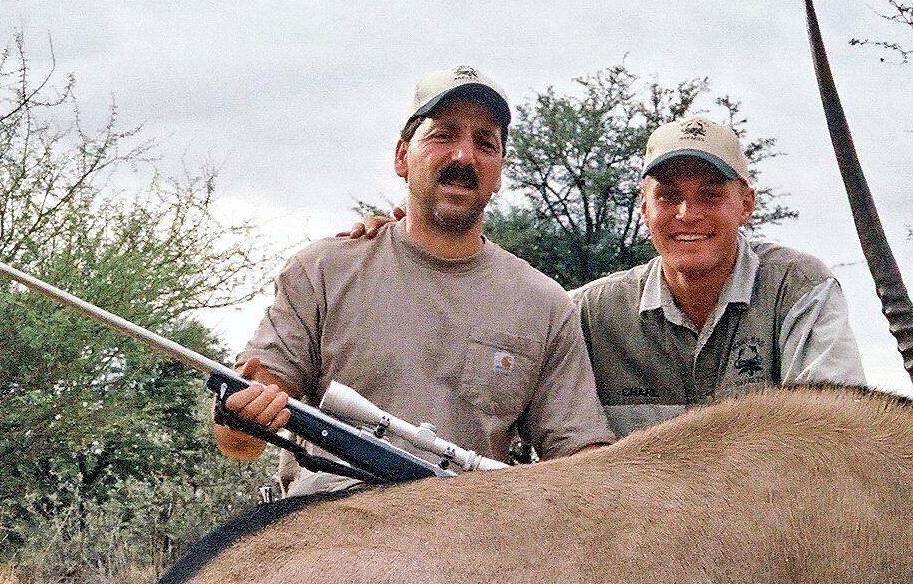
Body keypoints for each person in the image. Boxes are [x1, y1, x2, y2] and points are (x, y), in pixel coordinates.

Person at [216, 66, 615, 495]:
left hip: (472, 540)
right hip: (326, 535)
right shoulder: (322, 271)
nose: (464, 156)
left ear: (499, 172)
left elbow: (579, 458)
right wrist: (244, 415)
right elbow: (237, 441)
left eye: (485, 143)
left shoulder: (545, 304)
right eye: (443, 135)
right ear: (402, 156)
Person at [571, 115, 864, 436]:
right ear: (644, 208)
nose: (688, 214)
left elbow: (837, 434)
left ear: (746, 204)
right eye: (669, 196)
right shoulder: (587, 310)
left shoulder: (799, 286)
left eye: (710, 195)